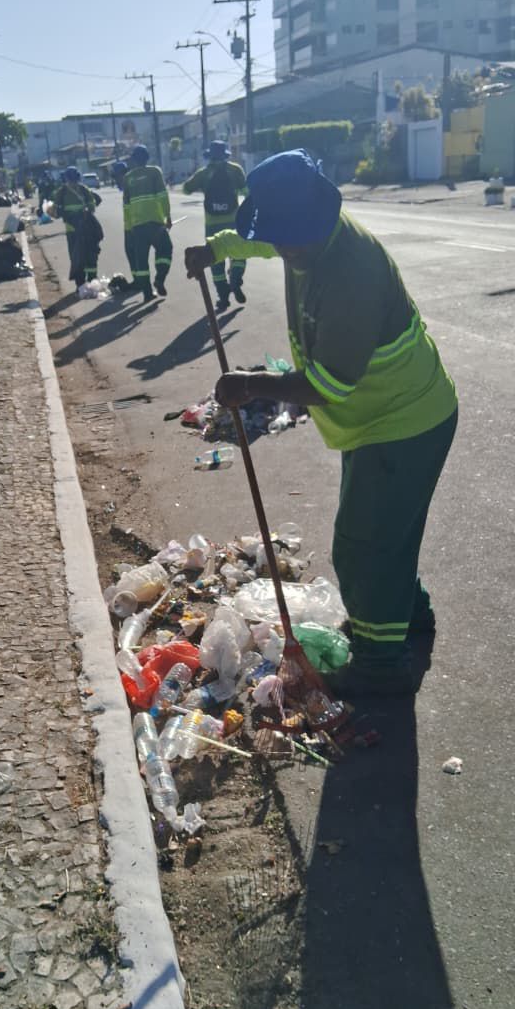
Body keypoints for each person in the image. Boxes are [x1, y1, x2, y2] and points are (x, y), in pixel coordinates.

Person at [185, 149, 458, 697]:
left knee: (363, 545)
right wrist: (214, 249)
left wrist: (252, 383)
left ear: (316, 222)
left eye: (291, 240)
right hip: (375, 420)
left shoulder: (350, 270)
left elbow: (329, 386)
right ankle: (405, 621)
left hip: (403, 419)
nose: (285, 250)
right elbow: (261, 238)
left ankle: (379, 666)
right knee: (388, 534)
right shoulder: (302, 232)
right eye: (279, 239)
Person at [183, 140, 247, 312]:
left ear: (210, 155)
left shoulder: (204, 173)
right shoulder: (235, 170)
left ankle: (223, 297)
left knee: (215, 259)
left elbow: (186, 189)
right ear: (225, 154)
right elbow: (246, 191)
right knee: (240, 253)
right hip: (234, 220)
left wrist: (199, 183)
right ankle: (235, 279)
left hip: (212, 224)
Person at [123, 145, 172, 301]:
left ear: (133, 160)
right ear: (147, 158)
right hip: (156, 223)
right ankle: (160, 279)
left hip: (137, 226)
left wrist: (129, 226)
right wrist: (167, 216)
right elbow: (163, 196)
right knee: (165, 250)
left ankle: (147, 294)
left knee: (141, 260)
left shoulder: (128, 178)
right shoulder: (154, 172)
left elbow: (126, 206)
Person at [52, 166, 102, 289]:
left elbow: (55, 212)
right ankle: (87, 282)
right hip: (81, 229)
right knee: (86, 255)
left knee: (81, 256)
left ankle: (85, 282)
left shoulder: (63, 191)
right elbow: (92, 206)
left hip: (76, 230)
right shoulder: (80, 190)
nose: (73, 182)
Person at [111, 159, 137, 291]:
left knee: (135, 255)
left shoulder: (130, 185)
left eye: (116, 177)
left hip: (134, 228)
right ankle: (138, 281)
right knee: (132, 254)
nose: (116, 181)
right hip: (130, 227)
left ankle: (140, 282)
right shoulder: (128, 185)